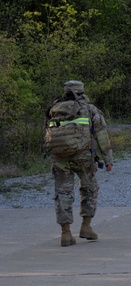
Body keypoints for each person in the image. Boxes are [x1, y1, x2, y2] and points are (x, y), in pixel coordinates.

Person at [44, 81, 114, 246]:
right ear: (82, 91)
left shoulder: (54, 109)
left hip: (59, 157)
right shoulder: (90, 109)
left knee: (62, 192)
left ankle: (65, 233)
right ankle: (86, 226)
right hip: (83, 157)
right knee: (89, 188)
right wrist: (108, 160)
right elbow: (102, 135)